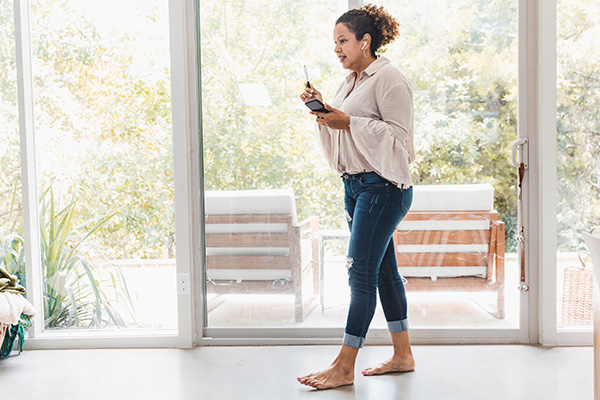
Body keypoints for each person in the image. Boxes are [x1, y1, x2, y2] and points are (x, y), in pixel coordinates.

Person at [297, 4, 416, 390]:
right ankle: (403, 354)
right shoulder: (350, 82)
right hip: (356, 187)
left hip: (382, 189)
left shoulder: (389, 78)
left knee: (359, 273)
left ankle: (345, 365)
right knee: (383, 272)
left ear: (365, 41)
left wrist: (346, 121)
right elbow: (349, 129)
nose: (336, 48)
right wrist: (326, 112)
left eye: (342, 40)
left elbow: (399, 139)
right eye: (334, 42)